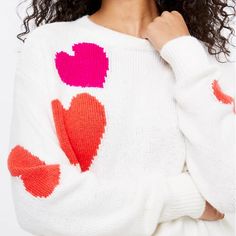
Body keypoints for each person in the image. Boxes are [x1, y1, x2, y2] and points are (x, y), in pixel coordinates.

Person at [7, 0, 235, 235]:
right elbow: (36, 200)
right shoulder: (50, 46)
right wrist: (182, 197)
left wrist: (183, 52)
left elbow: (230, 189)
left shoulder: (199, 58)